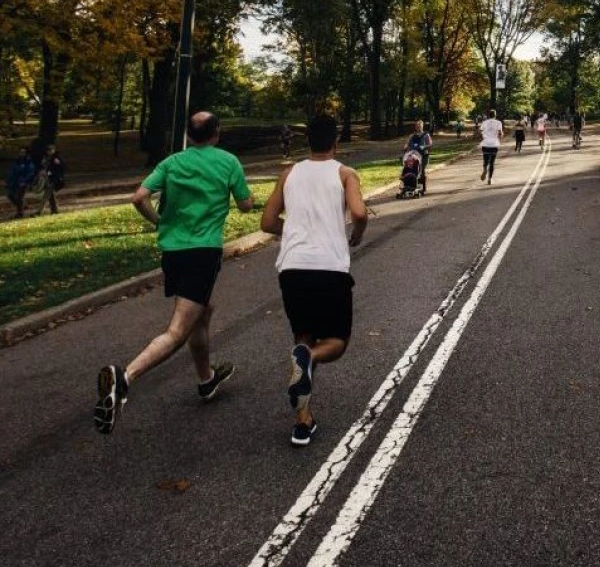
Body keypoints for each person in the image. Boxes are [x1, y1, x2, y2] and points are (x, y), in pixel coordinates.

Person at [93, 112, 253, 435]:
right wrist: (247, 198)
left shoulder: (171, 163)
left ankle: (206, 380)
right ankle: (125, 379)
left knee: (203, 313)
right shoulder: (228, 162)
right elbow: (246, 206)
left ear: (188, 135)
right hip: (202, 253)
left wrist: (159, 222)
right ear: (217, 133)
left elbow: (139, 197)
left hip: (173, 253)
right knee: (178, 330)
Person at [261, 115, 368, 446]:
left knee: (303, 339)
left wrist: (292, 232)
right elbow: (360, 213)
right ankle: (312, 362)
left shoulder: (289, 173)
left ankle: (302, 422)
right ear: (335, 142)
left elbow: (267, 222)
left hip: (292, 268)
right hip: (330, 267)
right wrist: (357, 236)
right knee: (336, 341)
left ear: (308, 142)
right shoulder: (345, 173)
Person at [5, 147, 36, 218]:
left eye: (23, 152)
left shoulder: (28, 162)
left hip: (23, 183)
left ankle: (20, 213)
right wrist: (8, 181)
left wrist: (25, 181)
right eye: (20, 152)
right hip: (14, 182)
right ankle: (22, 206)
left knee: (19, 197)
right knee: (10, 195)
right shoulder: (17, 161)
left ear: (26, 153)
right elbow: (12, 173)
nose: (21, 154)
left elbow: (30, 173)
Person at [36, 144, 64, 216]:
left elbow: (62, 168)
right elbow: (42, 167)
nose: (50, 152)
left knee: (46, 195)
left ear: (54, 150)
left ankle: (39, 211)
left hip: (53, 179)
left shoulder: (56, 158)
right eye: (48, 150)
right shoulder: (45, 158)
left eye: (51, 150)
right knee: (51, 196)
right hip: (46, 179)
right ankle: (55, 210)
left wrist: (50, 172)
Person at [406, 120, 433, 194]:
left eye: (419, 125)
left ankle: (423, 188)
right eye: (417, 126)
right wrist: (405, 147)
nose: (418, 127)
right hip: (414, 156)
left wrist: (424, 146)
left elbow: (430, 144)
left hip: (424, 155)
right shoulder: (412, 135)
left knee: (422, 171)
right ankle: (412, 187)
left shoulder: (426, 135)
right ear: (415, 127)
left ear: (422, 126)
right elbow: (407, 144)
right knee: (412, 171)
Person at [479, 109, 503, 184]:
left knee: (485, 160)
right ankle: (490, 179)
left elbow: (480, 131)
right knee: (492, 162)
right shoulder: (498, 122)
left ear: (488, 115)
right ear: (495, 115)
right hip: (494, 144)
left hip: (485, 143)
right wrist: (501, 136)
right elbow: (500, 133)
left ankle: (485, 169)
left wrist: (483, 136)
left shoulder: (484, 122)